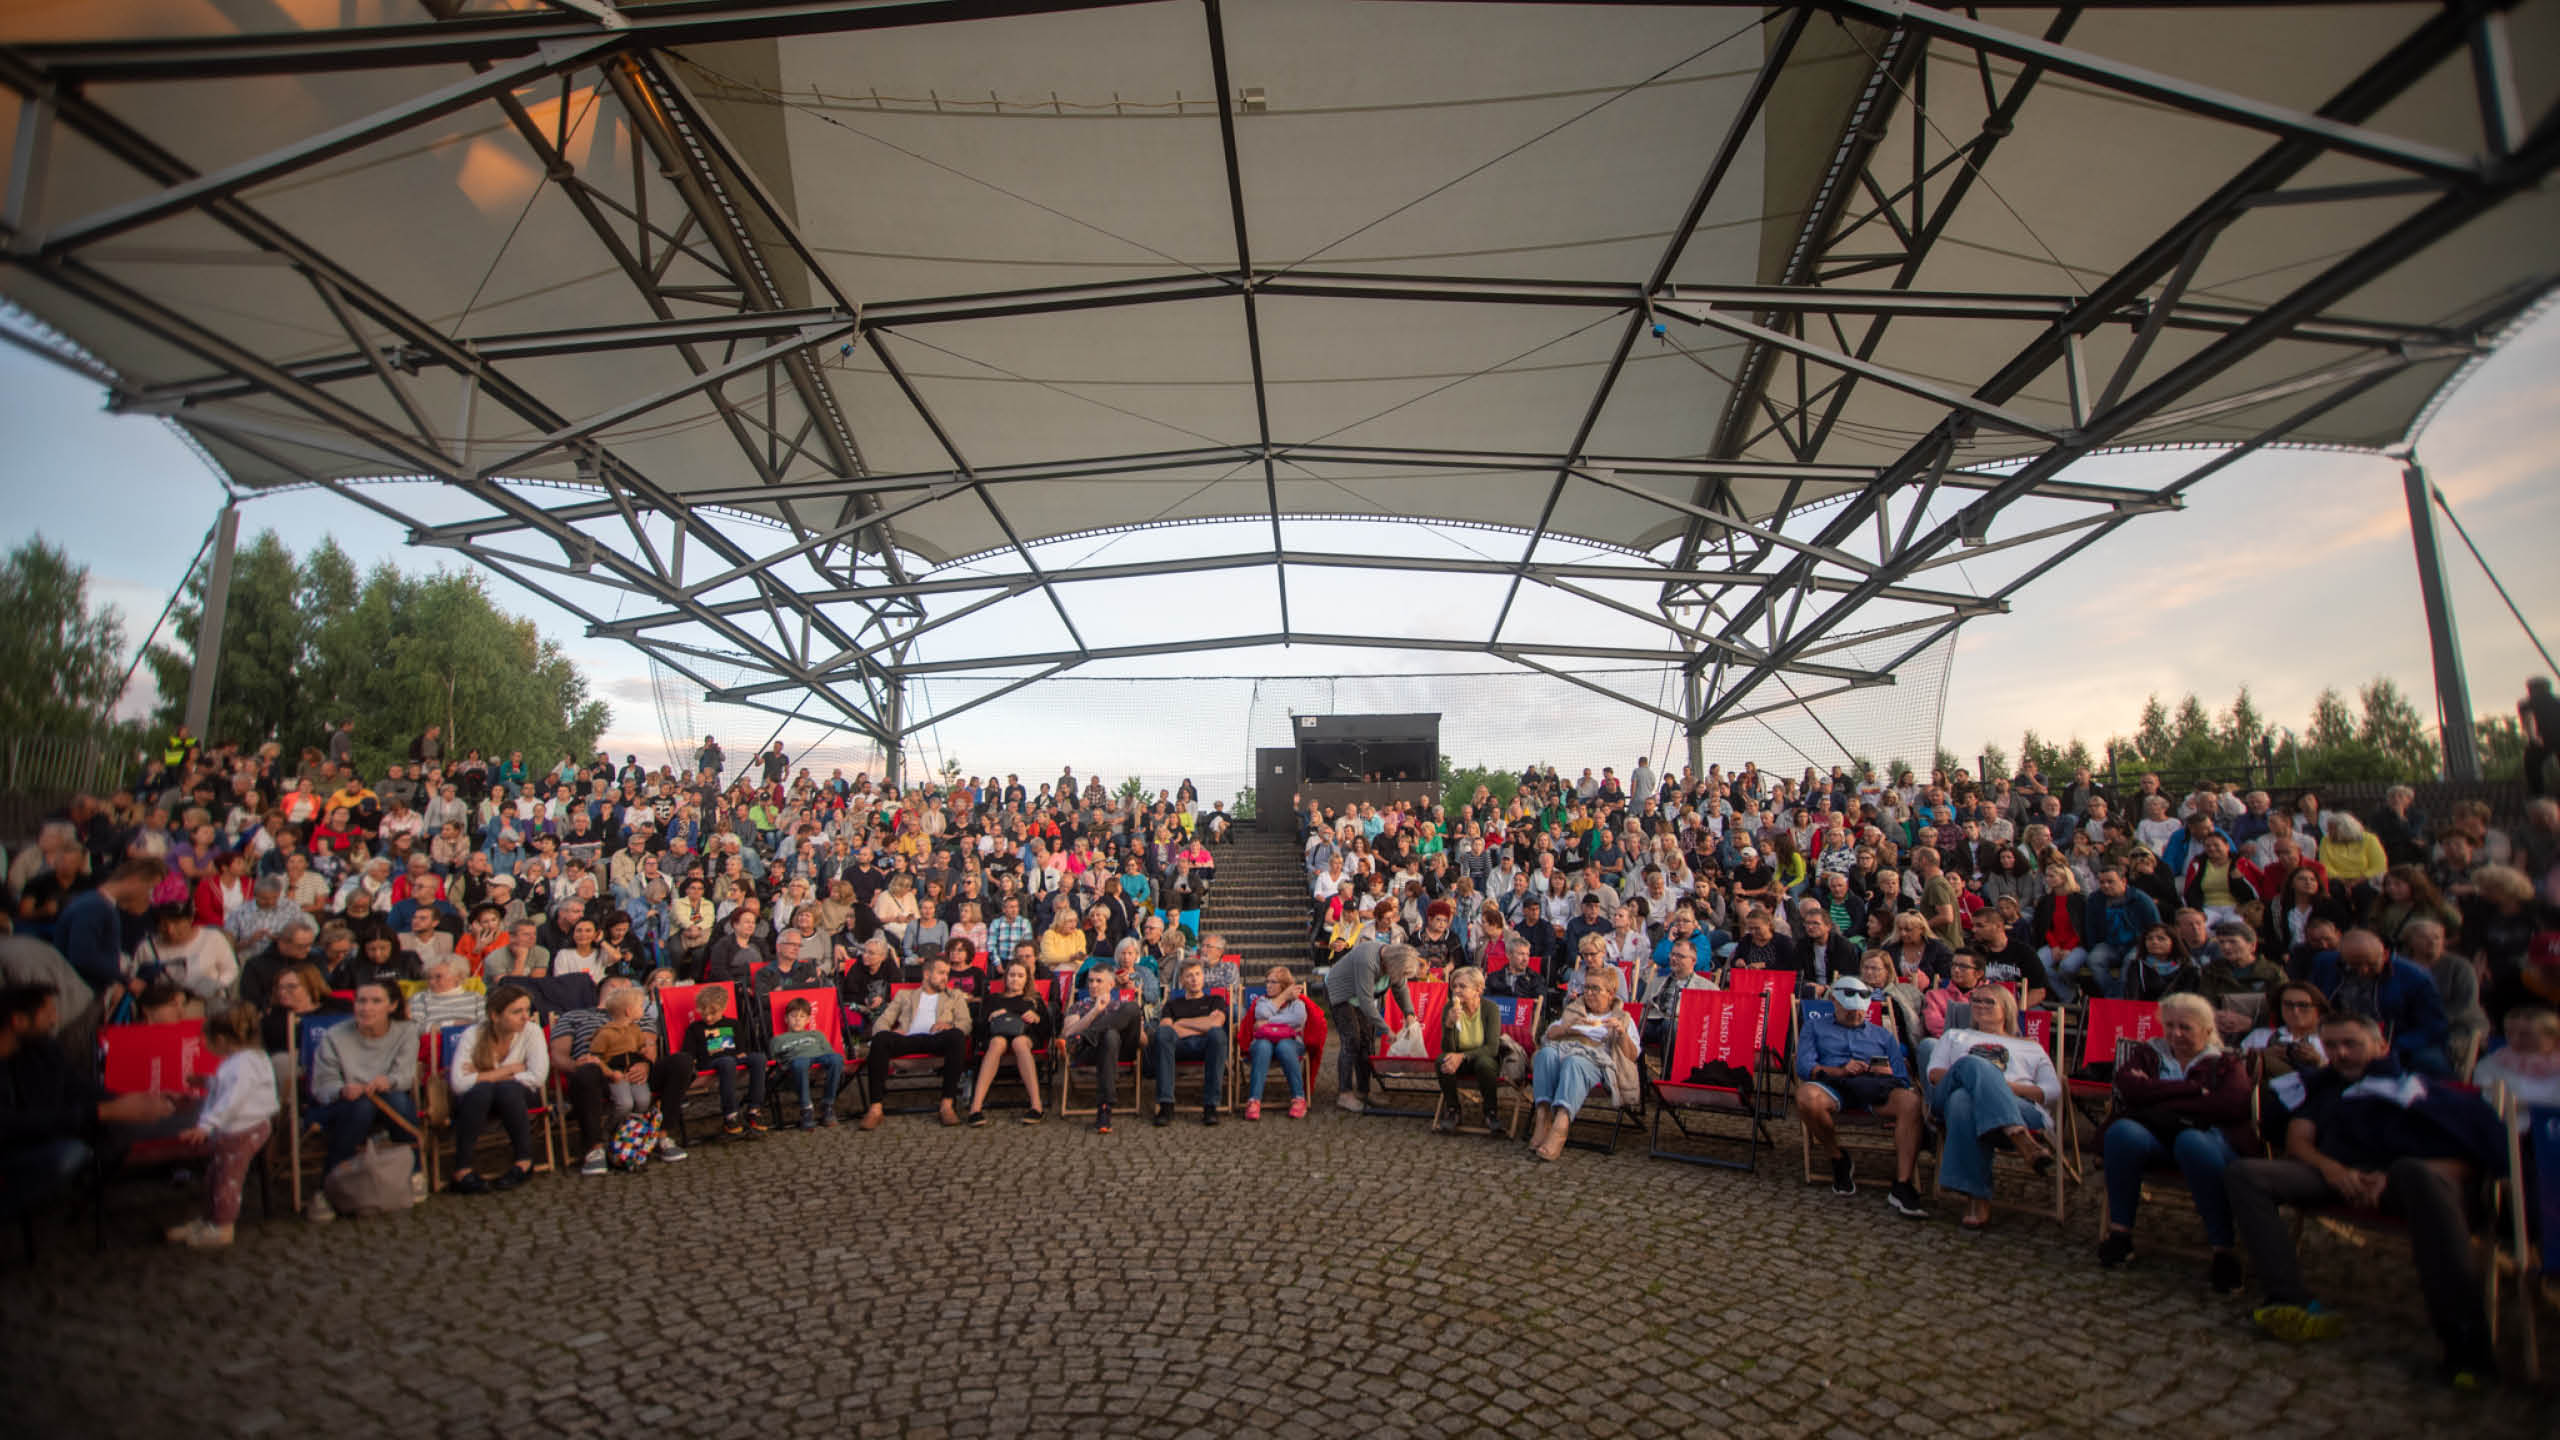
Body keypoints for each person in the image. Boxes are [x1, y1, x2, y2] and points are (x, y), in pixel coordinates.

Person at [2222, 1011, 2508, 1386]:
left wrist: (2388, 1178)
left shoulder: (2420, 1089)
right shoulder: (2324, 1086)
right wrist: (2334, 1170)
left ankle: (2464, 1340)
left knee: (2416, 1173)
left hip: (2408, 1182)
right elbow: (2299, 1142)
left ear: (2381, 1045)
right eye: (2333, 1045)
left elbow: (2469, 1161)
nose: (2341, 1053)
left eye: (2352, 1044)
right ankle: (2288, 1299)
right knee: (2247, 1173)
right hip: (2336, 1175)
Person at [2094, 993, 2256, 1289]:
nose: (2175, 1034)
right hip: (2155, 1137)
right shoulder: (2149, 1052)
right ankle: (2120, 1234)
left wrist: (2156, 1095)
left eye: (2185, 1027)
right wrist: (2193, 1091)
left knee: (2191, 1142)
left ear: (2207, 1030)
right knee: (2122, 1133)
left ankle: (2223, 1249)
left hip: (2210, 1140)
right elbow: (2129, 1089)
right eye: (2169, 1026)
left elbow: (2230, 1106)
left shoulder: (2225, 1063)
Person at [1926, 983, 2060, 1231]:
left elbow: (2052, 1092)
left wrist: (2002, 1088)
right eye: (1976, 1000)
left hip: (2018, 1106)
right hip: (1950, 1095)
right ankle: (2020, 1137)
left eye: (1989, 1001)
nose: (1980, 1005)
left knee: (1963, 1101)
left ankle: (1977, 1199)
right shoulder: (1955, 1035)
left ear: (2007, 1009)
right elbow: (1934, 1075)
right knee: (1972, 1065)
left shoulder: (2031, 1046)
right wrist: (1979, 1075)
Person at [1794, 975, 1927, 1218]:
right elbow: (1804, 1066)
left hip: (1875, 1088)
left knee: (1911, 1102)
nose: (1855, 1016)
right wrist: (1840, 1070)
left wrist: (1886, 1070)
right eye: (1849, 1011)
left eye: (1860, 1012)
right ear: (1833, 1000)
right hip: (1835, 1085)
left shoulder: (1882, 1035)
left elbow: (1902, 1077)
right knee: (1806, 1097)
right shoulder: (1815, 1026)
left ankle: (1903, 1183)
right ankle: (1837, 1156)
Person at [304, 978, 422, 1221]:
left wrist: (386, 1081)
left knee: (397, 1098)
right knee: (361, 1106)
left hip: (387, 1097)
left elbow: (405, 1074)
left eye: (375, 1001)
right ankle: (328, 1186)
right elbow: (322, 1085)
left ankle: (414, 1170)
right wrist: (342, 1090)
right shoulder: (335, 1036)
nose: (366, 1008)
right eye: (361, 1001)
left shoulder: (406, 1031)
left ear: (391, 1006)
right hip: (341, 1105)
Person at [161, 1002, 275, 1248]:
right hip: (234, 1127)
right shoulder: (241, 1060)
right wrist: (206, 1082)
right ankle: (210, 1218)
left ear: (221, 1039)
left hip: (243, 1128)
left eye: (207, 1039)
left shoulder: (243, 1064)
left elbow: (232, 1100)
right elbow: (227, 1088)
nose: (204, 1045)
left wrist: (205, 1126)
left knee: (228, 1178)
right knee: (215, 1175)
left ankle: (223, 1226)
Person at [552, 980, 692, 1175]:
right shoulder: (574, 1016)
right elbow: (558, 1055)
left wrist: (645, 1064)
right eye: (616, 984)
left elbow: (649, 1048)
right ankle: (595, 1148)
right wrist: (578, 1065)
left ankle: (660, 1134)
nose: (625, 988)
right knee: (586, 1072)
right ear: (601, 990)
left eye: (628, 985)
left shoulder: (639, 1019)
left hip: (635, 1071)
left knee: (681, 1062)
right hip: (596, 1074)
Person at [1525, 966, 1641, 1162]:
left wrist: (1621, 1034)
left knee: (1575, 1062)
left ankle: (1561, 1124)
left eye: (1595, 989)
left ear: (1611, 994)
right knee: (1545, 1055)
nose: (1588, 993)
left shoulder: (1621, 1018)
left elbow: (1632, 1056)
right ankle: (1543, 1116)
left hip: (1595, 1058)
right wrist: (1568, 1028)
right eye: (1586, 987)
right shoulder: (1574, 1010)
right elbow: (1548, 1036)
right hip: (1562, 1049)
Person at [444, 983, 548, 1195]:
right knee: (482, 1091)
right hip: (478, 1100)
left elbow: (537, 1077)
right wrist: (506, 1070)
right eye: (516, 1012)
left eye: (527, 1010)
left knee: (506, 1089)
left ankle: (524, 1162)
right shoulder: (473, 1034)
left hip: (516, 1096)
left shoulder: (532, 1032)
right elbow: (458, 1083)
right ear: (495, 1015)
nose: (525, 1017)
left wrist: (482, 1074)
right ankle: (462, 1170)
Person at [2309, 928, 2450, 1076]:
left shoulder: (2415, 977)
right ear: (2341, 957)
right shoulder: (2325, 965)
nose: (2363, 970)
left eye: (2371, 964)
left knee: (2431, 1063)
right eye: (2355, 965)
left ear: (2385, 955)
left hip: (2395, 1040)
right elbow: (2313, 1001)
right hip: (2336, 1035)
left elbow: (2434, 1027)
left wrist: (2391, 1046)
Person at [858, 954, 972, 1130]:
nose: (946, 978)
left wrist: (949, 1025)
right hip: (908, 1039)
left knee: (956, 1037)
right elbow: (882, 1020)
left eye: (947, 974)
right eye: (941, 973)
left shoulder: (954, 995)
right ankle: (875, 1108)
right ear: (926, 974)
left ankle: (947, 1105)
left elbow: (966, 1023)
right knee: (881, 1039)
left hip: (937, 1039)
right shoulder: (905, 995)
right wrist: (890, 1032)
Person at [1323, 922, 1414, 1113]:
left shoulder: (1395, 961)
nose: (1402, 977)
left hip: (1359, 998)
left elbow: (1400, 987)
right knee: (1352, 1040)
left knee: (1367, 1042)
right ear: (1393, 965)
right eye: (1402, 973)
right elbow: (1365, 1001)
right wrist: (1386, 1029)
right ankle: (1345, 1093)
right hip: (1341, 995)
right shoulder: (1368, 959)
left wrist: (1409, 1013)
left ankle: (1363, 1091)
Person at [1058, 961, 1143, 1134]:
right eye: (1090, 981)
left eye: (1098, 981)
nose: (1093, 985)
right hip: (1091, 1052)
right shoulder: (1079, 1005)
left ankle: (1086, 1036)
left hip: (1124, 1050)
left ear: (1111, 984)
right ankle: (1104, 1109)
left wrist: (1131, 1024)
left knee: (1133, 1007)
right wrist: (1095, 1011)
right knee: (1109, 1036)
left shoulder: (1121, 1005)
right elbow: (1068, 1034)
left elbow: (1144, 1041)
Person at [1149, 957, 1229, 1127]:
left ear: (1203, 977)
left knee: (1217, 1034)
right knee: (1163, 1034)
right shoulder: (1172, 1004)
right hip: (1178, 1047)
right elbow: (1167, 1029)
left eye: (1198, 974)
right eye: (1189, 975)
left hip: (1206, 1045)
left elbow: (1215, 1023)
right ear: (1182, 980)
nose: (1194, 979)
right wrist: (1203, 1025)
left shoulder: (1215, 1000)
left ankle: (1210, 1106)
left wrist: (1182, 1023)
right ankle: (1166, 1105)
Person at [966, 960, 1047, 1126]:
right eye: (1011, 975)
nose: (1015, 979)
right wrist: (991, 1018)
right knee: (997, 1042)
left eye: (1020, 975)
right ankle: (976, 1107)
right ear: (1005, 977)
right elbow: (979, 1029)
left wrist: (1037, 1018)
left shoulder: (1033, 1000)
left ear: (1027, 979)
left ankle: (1036, 1105)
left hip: (1026, 1037)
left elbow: (1047, 1029)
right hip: (997, 1036)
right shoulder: (993, 999)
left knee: (1019, 1042)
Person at [682, 985, 769, 1139]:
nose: (708, 1018)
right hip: (710, 1062)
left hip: (733, 1059)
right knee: (727, 1062)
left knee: (759, 1058)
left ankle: (754, 1109)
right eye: (704, 1013)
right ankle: (731, 1115)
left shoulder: (733, 1024)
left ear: (723, 1008)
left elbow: (741, 1049)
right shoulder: (695, 1028)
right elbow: (688, 1053)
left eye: (712, 1013)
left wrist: (742, 1055)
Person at [1432, 965, 1503, 1136]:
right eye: (1454, 986)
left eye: (1462, 986)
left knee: (1484, 1063)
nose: (1456, 990)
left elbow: (1492, 1048)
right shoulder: (1450, 1008)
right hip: (1459, 1060)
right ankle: (1453, 1109)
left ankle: (1490, 1111)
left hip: (1484, 1059)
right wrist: (1449, 1026)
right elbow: (1448, 1049)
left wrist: (1462, 1056)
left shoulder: (1490, 1009)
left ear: (1478, 989)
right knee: (1443, 1060)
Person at [1242, 966, 1310, 1122]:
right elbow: (1262, 1014)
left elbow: (1298, 1019)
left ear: (1285, 985)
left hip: (1292, 1043)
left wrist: (1268, 1022)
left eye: (1273, 982)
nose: (1268, 985)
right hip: (1264, 1042)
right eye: (1267, 982)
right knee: (1263, 1046)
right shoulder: (1262, 1001)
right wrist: (1282, 999)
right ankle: (1254, 1100)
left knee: (1284, 1046)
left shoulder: (1297, 1003)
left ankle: (1298, 1098)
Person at [769, 997, 847, 1129]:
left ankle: (827, 1105)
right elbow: (774, 1061)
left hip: (819, 1058)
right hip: (797, 1063)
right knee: (800, 1063)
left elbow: (829, 1053)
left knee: (837, 1058)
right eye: (793, 1016)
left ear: (807, 1020)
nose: (798, 1019)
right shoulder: (778, 1039)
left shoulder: (816, 1034)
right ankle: (806, 1109)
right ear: (786, 1019)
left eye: (802, 1016)